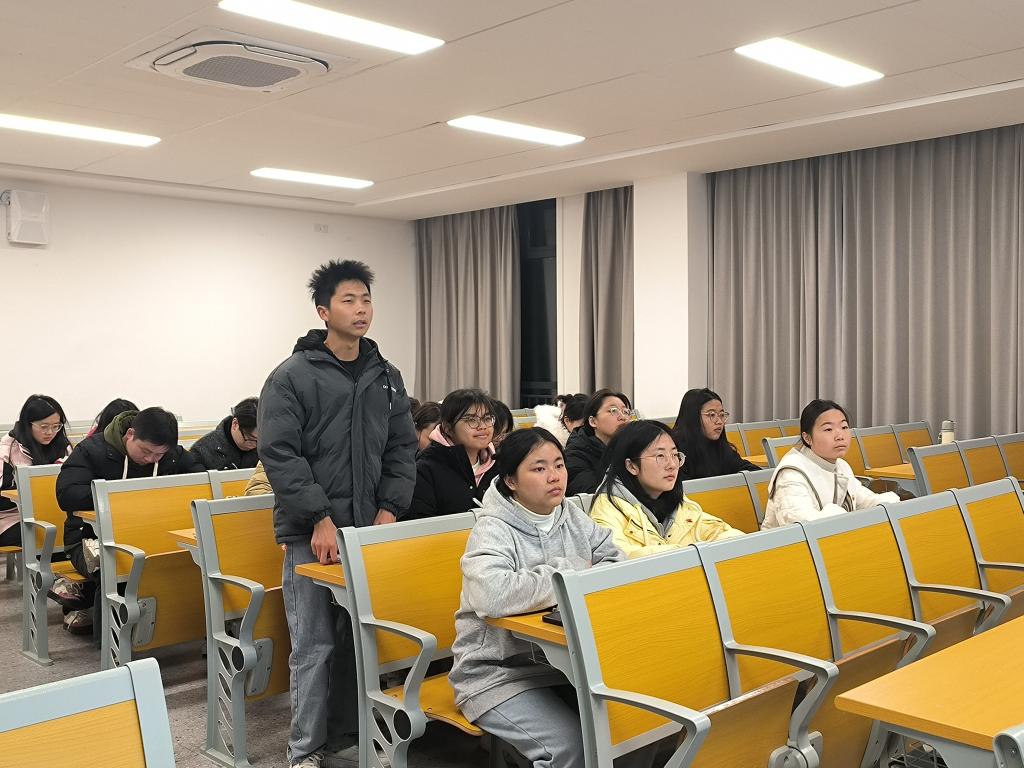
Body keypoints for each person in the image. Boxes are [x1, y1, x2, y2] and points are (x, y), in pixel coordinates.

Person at [259, 259, 416, 768]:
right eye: (349, 300)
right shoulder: (291, 376)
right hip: (312, 532)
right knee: (315, 643)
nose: (361, 309)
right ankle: (303, 751)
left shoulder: (385, 376)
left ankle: (347, 736)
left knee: (359, 639)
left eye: (366, 299)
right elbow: (281, 455)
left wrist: (390, 510)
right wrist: (319, 518)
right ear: (324, 311)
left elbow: (402, 448)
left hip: (368, 529)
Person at [450, 428, 623, 768]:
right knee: (572, 747)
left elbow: (615, 561)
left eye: (559, 464)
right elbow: (492, 594)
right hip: (494, 673)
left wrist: (549, 584)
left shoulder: (570, 514)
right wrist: (572, 569)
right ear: (511, 480)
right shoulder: (493, 528)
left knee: (629, 727)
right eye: (539, 468)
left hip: (565, 665)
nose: (554, 476)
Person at [55, 407, 198, 634]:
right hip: (88, 540)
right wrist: (123, 497)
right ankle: (111, 643)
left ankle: (170, 632)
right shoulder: (91, 451)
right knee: (115, 569)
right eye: (146, 451)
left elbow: (198, 479)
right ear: (130, 434)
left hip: (150, 535)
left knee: (187, 563)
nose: (150, 459)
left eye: (158, 455)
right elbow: (66, 494)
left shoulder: (172, 454)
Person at [590, 420, 744, 558]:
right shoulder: (607, 509)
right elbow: (620, 557)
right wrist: (690, 554)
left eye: (675, 455)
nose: (672, 464)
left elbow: (713, 530)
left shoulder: (674, 499)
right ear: (631, 466)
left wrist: (736, 542)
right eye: (660, 456)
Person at [763, 399, 901, 528]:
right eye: (828, 429)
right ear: (807, 438)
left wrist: (887, 503)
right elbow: (800, 526)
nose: (840, 436)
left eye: (844, 427)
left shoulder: (841, 465)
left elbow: (863, 500)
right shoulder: (791, 473)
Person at [405, 389, 499, 520]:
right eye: (471, 420)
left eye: (487, 419)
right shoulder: (426, 468)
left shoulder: (499, 464)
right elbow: (418, 523)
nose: (482, 426)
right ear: (448, 428)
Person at [0, 395, 73, 548]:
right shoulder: (8, 449)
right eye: (44, 426)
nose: (50, 432)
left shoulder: (63, 446)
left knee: (76, 532)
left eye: (56, 426)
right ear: (28, 424)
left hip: (54, 512)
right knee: (48, 535)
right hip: (11, 518)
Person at [672, 388, 760, 479]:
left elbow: (753, 471)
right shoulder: (675, 452)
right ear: (693, 417)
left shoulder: (720, 447)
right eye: (712, 415)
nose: (719, 422)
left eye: (721, 415)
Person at [565, 389, 633, 495]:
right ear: (593, 421)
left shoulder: (631, 448)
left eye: (625, 412)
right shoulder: (575, 455)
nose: (623, 417)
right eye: (613, 410)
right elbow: (596, 494)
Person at [189, 397, 260, 470]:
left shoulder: (264, 447)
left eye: (260, 440)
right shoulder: (201, 452)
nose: (255, 445)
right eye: (251, 439)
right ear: (235, 424)